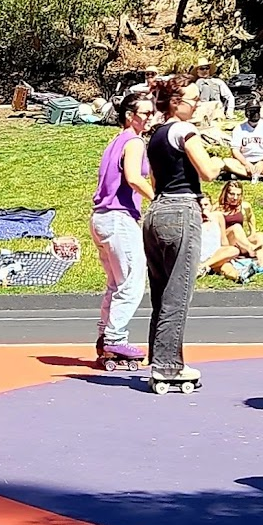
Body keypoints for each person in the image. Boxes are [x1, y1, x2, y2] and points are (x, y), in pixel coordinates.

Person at [139, 76, 241, 393]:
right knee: (177, 292)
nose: (197, 104)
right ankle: (169, 366)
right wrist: (228, 160)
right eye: (192, 99)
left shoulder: (154, 136)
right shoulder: (184, 131)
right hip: (181, 211)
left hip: (155, 212)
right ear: (175, 103)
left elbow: (155, 183)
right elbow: (207, 172)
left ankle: (159, 357)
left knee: (161, 291)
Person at [91, 90, 156, 368]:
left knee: (115, 283)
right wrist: (157, 196)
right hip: (118, 219)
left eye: (152, 112)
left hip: (101, 218)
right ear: (130, 116)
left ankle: (105, 335)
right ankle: (115, 337)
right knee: (131, 282)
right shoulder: (134, 142)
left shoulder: (114, 141)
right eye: (146, 113)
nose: (150, 117)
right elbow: (132, 177)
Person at [203, 179, 263, 282]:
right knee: (236, 227)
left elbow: (251, 218)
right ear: (225, 193)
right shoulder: (217, 209)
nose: (235, 198)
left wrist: (252, 232)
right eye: (231, 194)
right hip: (227, 239)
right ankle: (250, 249)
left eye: (238, 194)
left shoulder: (245, 206)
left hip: (240, 240)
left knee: (260, 236)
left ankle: (262, 264)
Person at [229, 99, 263, 177]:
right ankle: (262, 175)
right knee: (227, 162)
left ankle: (244, 174)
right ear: (247, 113)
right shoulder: (239, 128)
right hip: (245, 161)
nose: (255, 113)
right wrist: (246, 163)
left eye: (257, 110)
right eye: (252, 111)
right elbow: (235, 150)